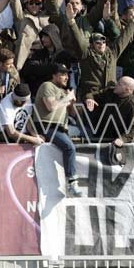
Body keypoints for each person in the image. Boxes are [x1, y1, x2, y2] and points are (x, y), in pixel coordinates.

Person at [34, 63, 82, 197]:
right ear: (53, 75)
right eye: (62, 74)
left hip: (62, 127)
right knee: (69, 147)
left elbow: (73, 114)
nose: (66, 77)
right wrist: (67, 98)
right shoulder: (47, 86)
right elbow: (51, 106)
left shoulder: (63, 91)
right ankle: (72, 181)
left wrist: (71, 102)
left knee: (82, 134)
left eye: (67, 74)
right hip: (47, 126)